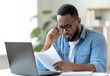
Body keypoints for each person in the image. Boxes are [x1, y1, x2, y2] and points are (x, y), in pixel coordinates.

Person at [36, 4, 107, 72]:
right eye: (61, 27)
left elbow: (100, 67)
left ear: (78, 21)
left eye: (67, 26)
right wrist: (47, 44)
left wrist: (71, 66)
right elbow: (40, 68)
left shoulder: (97, 38)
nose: (64, 31)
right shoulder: (58, 39)